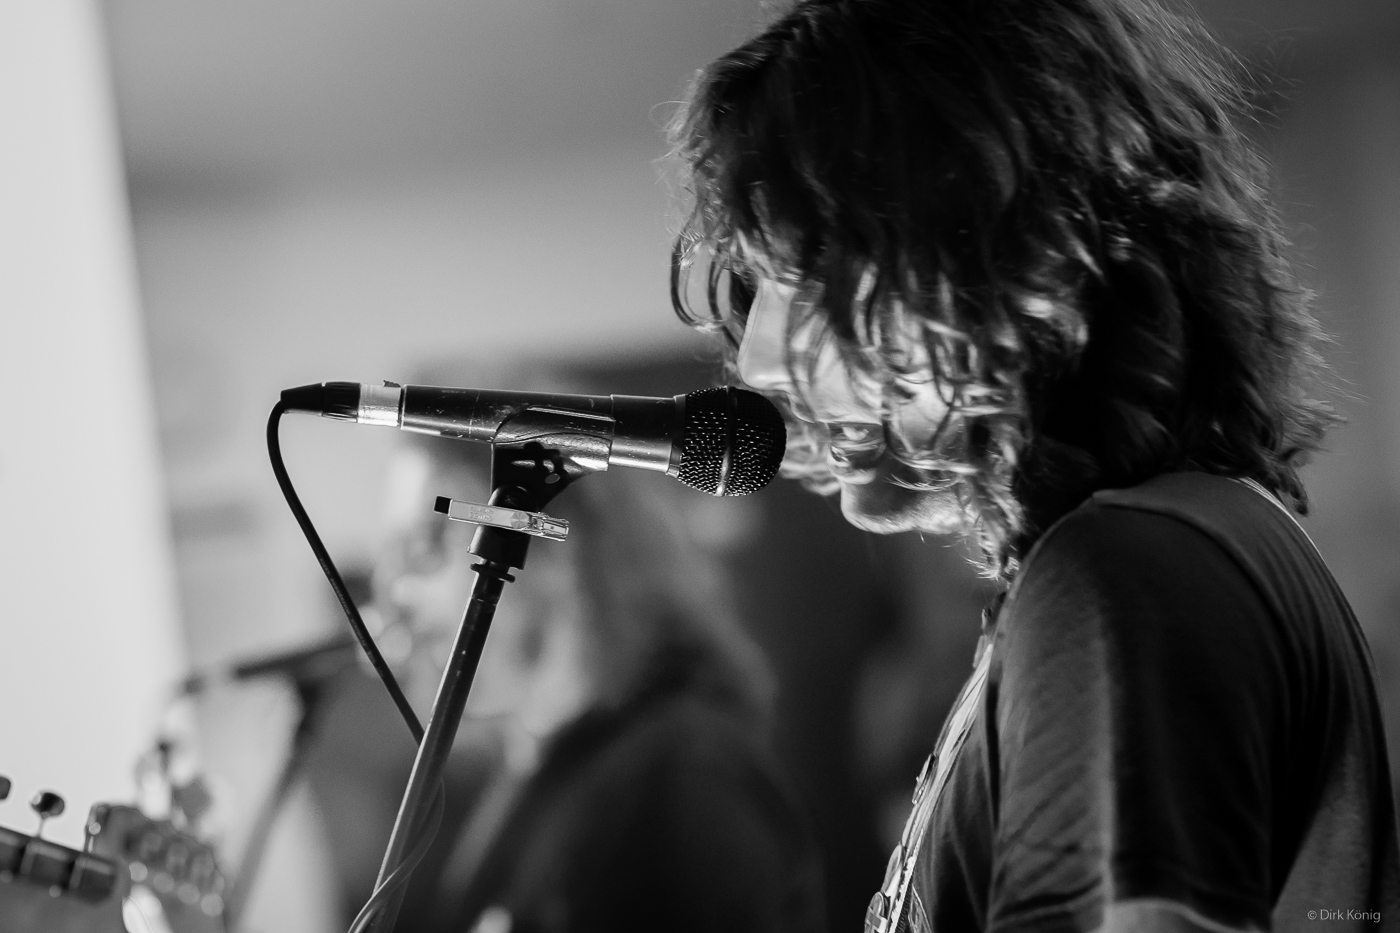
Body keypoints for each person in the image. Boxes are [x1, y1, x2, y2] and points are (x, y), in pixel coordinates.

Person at [668, 1, 1400, 931]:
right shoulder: (1162, 549)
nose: (763, 357)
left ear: (997, 255)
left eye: (806, 278)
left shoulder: (1123, 574)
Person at [370, 413, 826, 933]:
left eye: (427, 545)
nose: (398, 596)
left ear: (553, 544)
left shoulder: (677, 783)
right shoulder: (533, 775)